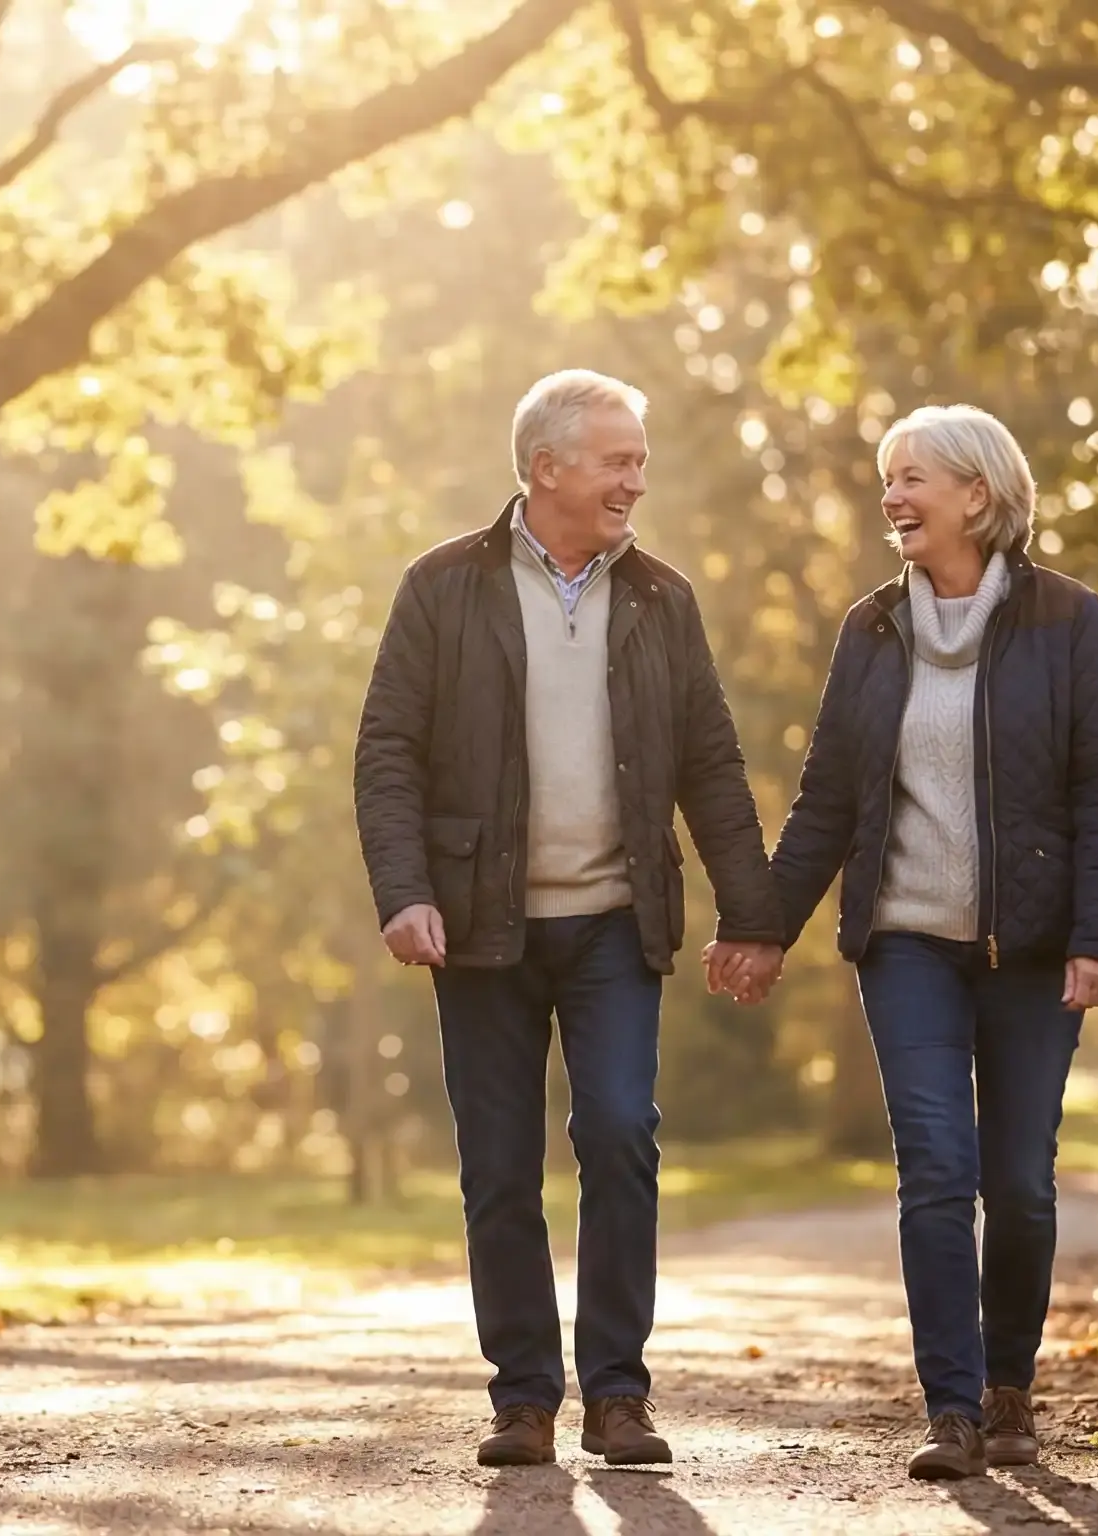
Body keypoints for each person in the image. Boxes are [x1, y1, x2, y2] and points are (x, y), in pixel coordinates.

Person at [353, 369, 786, 1467]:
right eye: (618, 460)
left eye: (638, 461)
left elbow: (711, 763)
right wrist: (403, 891)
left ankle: (617, 1395)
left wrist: (754, 914)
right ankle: (523, 1399)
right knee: (499, 1165)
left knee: (619, 1135)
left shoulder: (660, 598)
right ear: (545, 468)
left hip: (611, 922)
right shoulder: (440, 588)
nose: (637, 481)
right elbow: (388, 752)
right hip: (479, 925)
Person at [753, 403, 1098, 1480]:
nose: (893, 498)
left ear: (977, 493)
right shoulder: (870, 628)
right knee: (934, 1166)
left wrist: (1096, 938)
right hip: (906, 942)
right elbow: (826, 796)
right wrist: (763, 930)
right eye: (888, 479)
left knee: (1017, 1180)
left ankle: (1010, 1382)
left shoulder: (1067, 619)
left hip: (1031, 948)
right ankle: (953, 1408)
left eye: (911, 477)